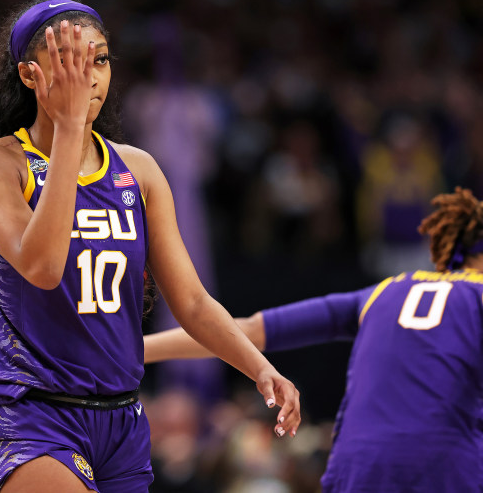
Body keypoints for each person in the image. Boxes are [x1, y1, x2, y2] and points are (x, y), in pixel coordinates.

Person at [0, 0, 300, 493]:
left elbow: (191, 301)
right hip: (33, 417)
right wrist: (67, 129)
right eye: (69, 61)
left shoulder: (139, 170)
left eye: (99, 59)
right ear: (29, 74)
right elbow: (41, 266)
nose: (88, 76)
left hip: (122, 419)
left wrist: (260, 370)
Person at [143, 186, 483, 492]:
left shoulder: (380, 293)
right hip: (446, 464)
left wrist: (134, 350)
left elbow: (240, 331)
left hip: (358, 468)